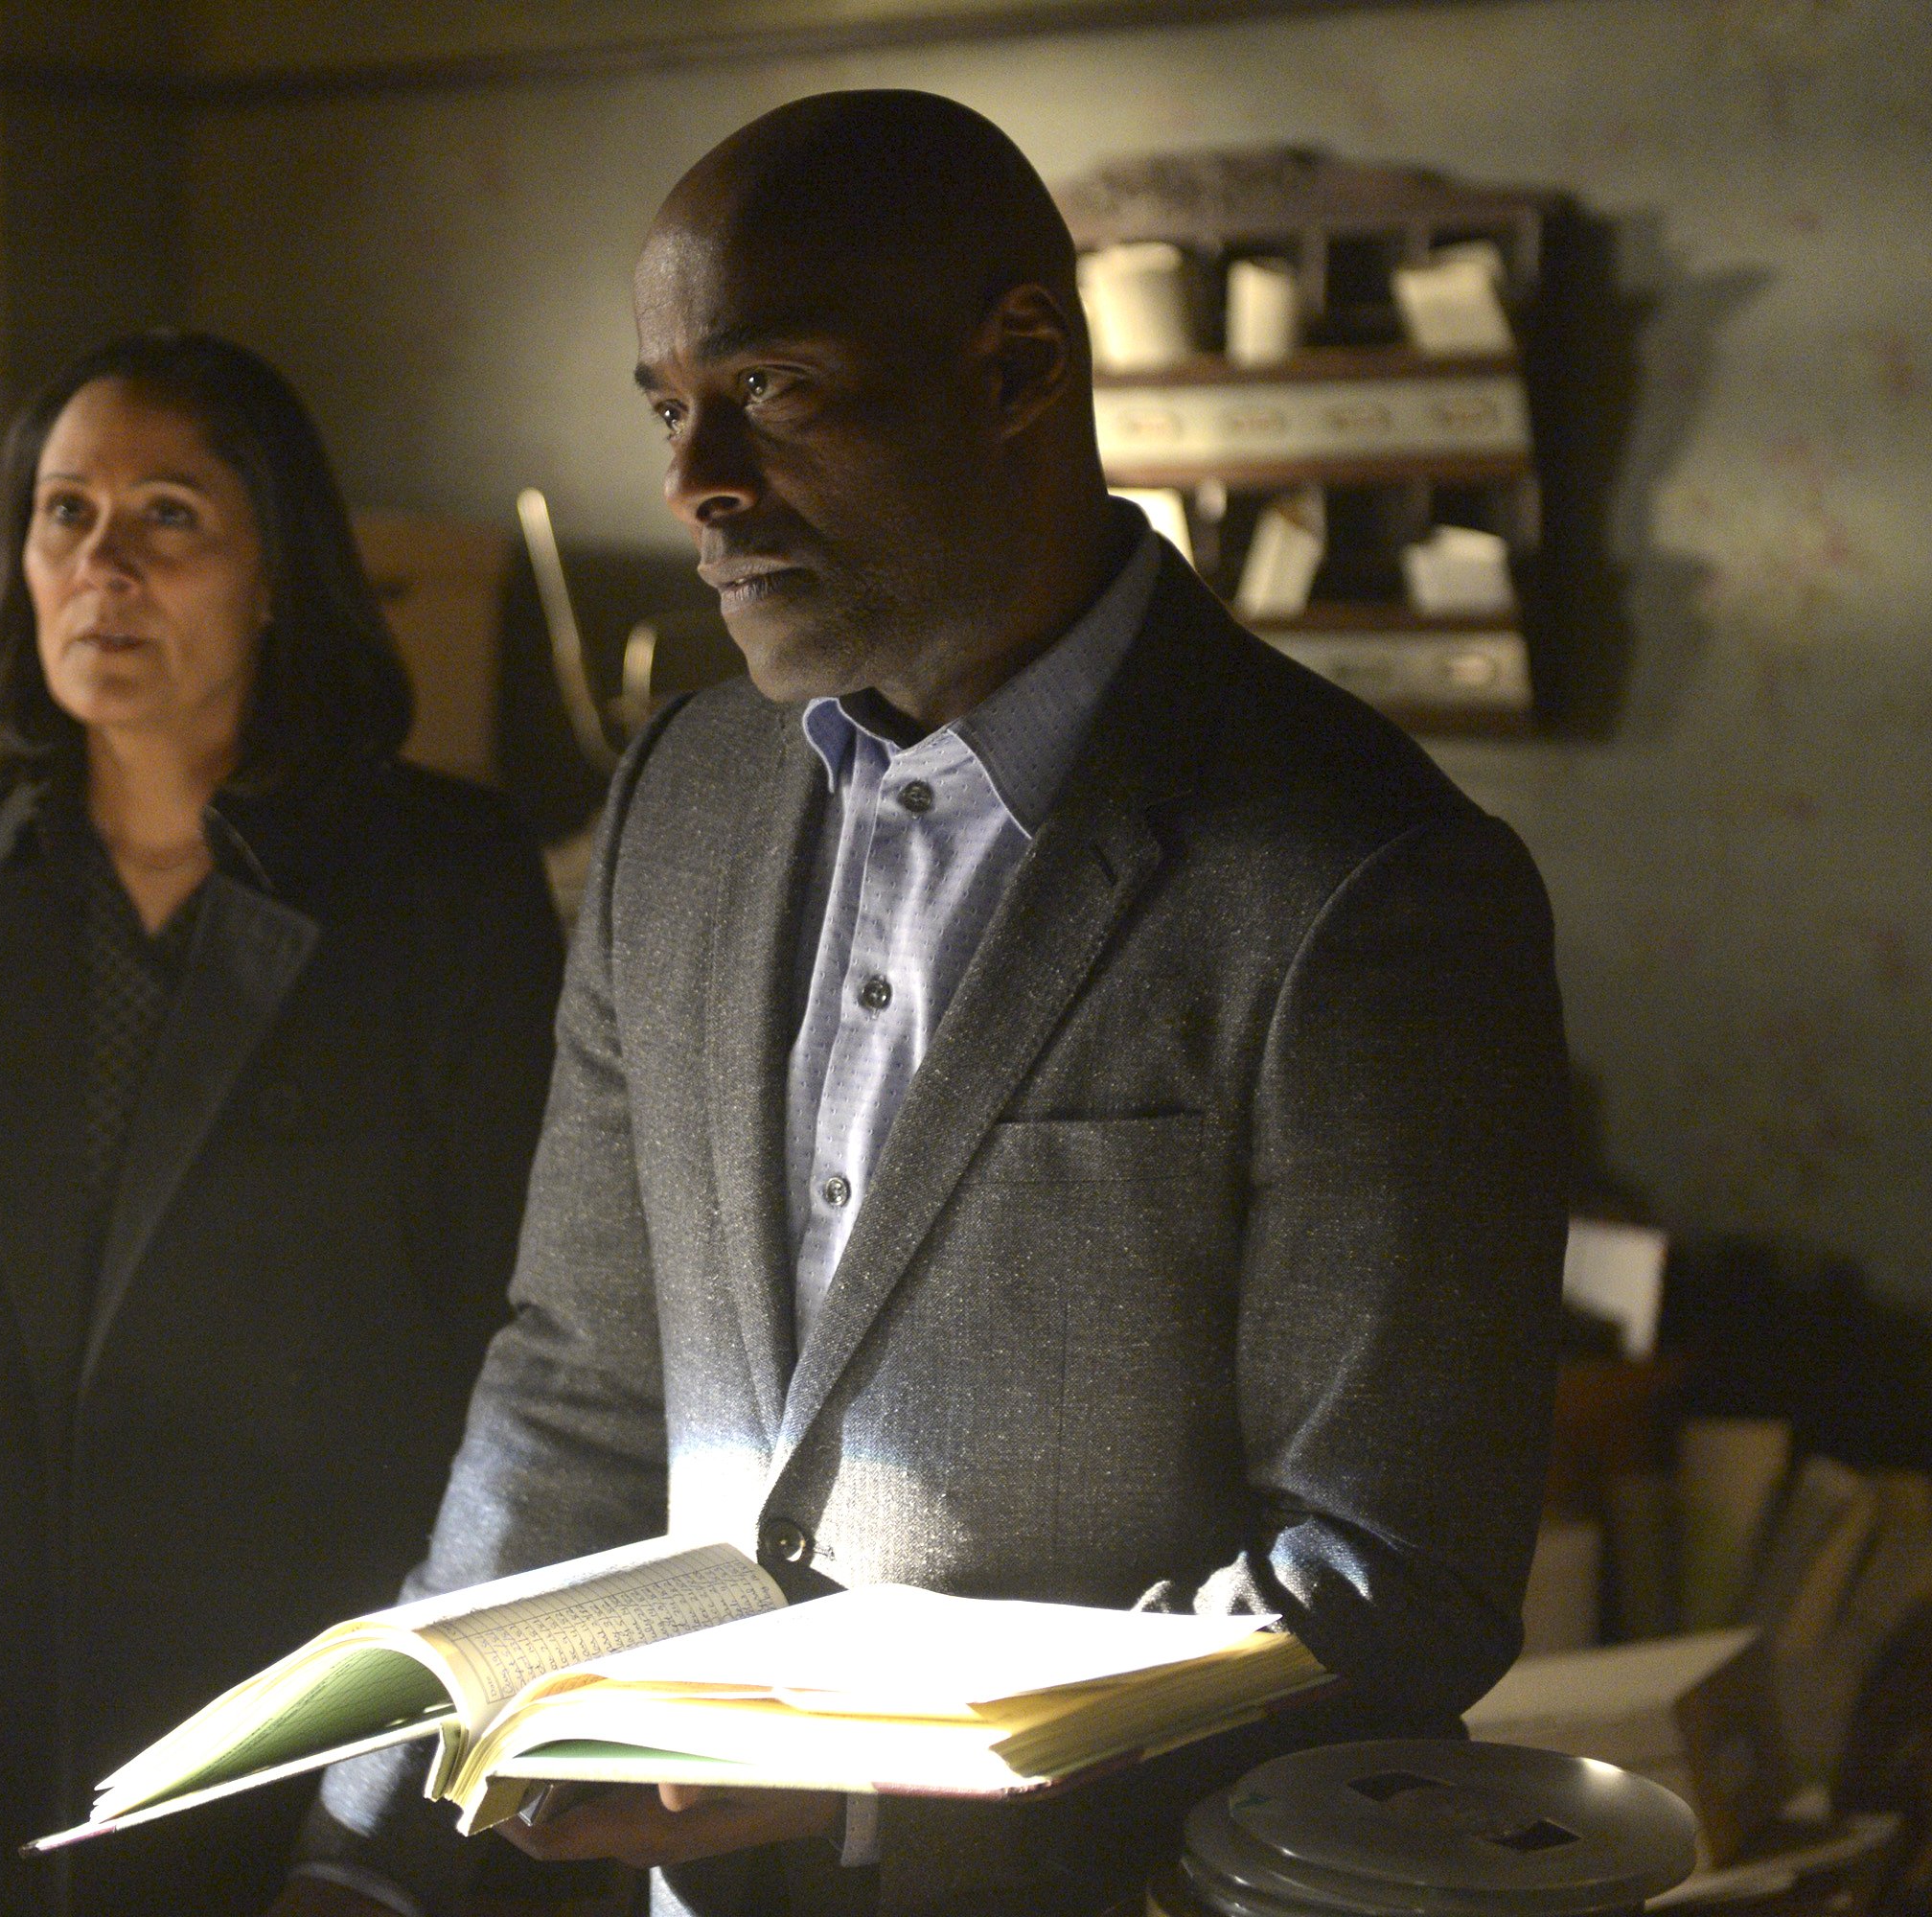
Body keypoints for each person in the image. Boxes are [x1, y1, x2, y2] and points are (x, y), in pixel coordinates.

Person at [279, 92, 1571, 1917]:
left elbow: (1388, 1582)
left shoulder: (1365, 879)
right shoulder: (681, 800)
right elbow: (579, 1380)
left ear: (1018, 365)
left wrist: (863, 1791)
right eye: (669, 409)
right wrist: (366, 1855)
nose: (696, 481)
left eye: (773, 388)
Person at [0, 330, 564, 1917]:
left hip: (307, 1680)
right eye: (65, 515)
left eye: (169, 517)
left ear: (276, 573)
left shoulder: (441, 884)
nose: (105, 568)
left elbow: (520, 1341)